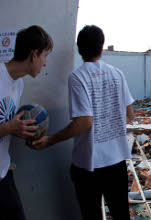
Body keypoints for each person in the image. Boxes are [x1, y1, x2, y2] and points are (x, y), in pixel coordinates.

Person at [31, 25, 134, 220]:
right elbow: (130, 114)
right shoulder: (117, 74)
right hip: (117, 161)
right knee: (121, 214)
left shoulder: (78, 77)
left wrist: (51, 140)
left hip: (89, 165)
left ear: (79, 49)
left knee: (91, 215)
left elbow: (85, 122)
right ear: (101, 48)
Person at [0, 25, 53, 220]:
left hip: (3, 172)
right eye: (45, 56)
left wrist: (20, 130)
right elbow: (4, 126)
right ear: (34, 55)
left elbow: (6, 123)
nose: (45, 64)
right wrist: (7, 128)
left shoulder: (18, 84)